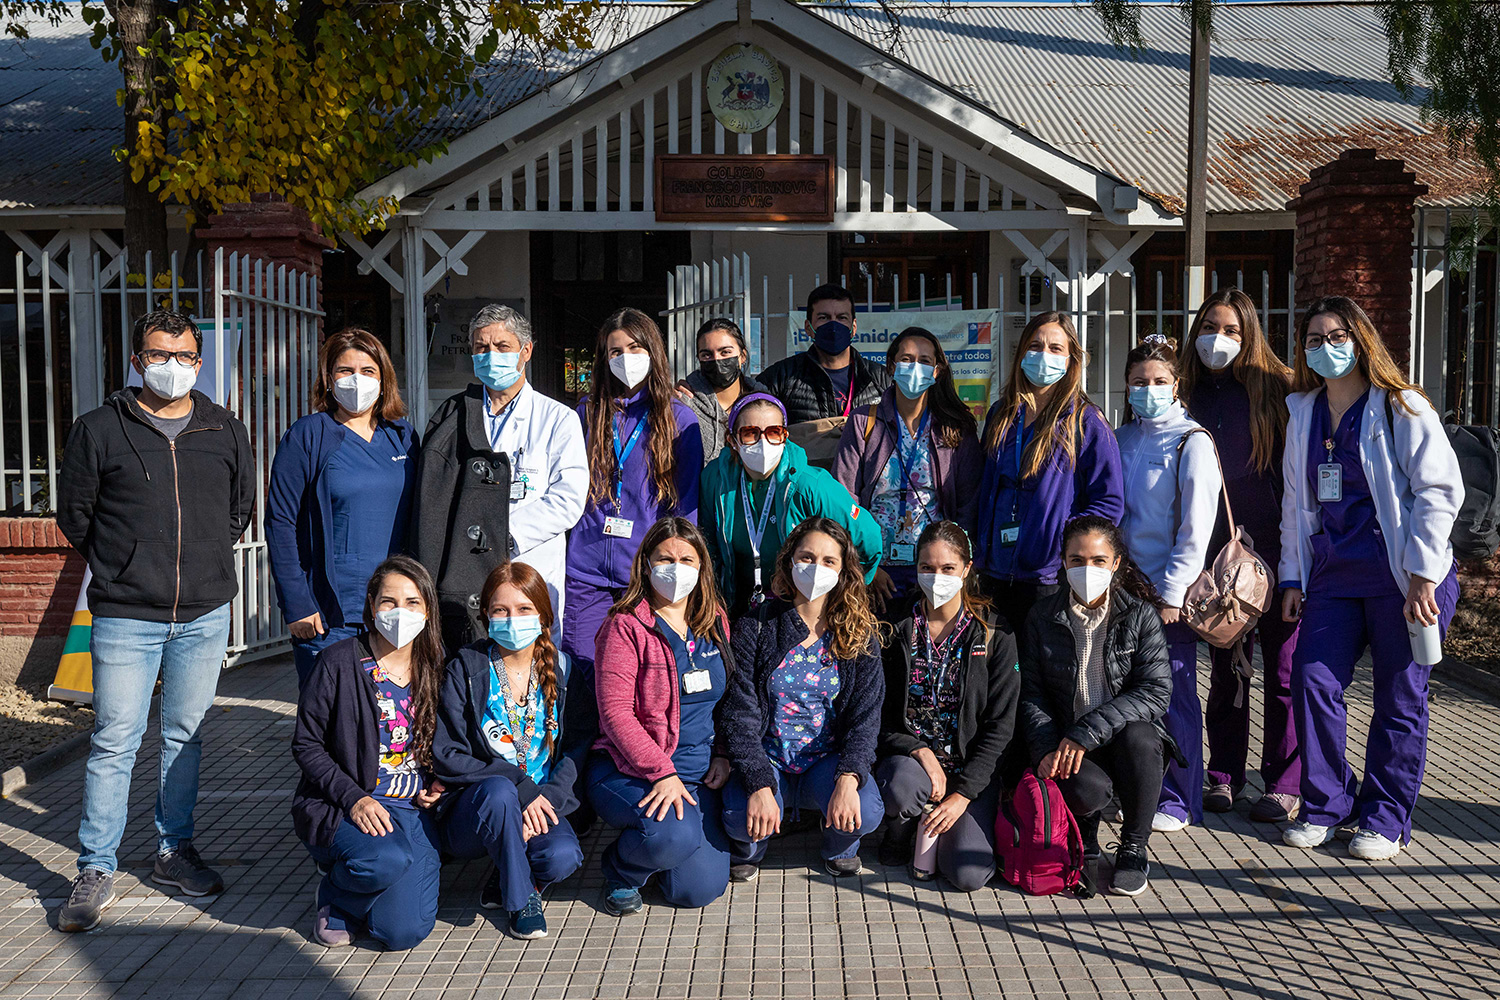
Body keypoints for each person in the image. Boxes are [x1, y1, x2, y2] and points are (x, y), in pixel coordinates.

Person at [55, 309, 254, 933]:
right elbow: (76, 517)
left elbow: (237, 508)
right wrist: (125, 565)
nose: (174, 367)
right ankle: (95, 866)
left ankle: (174, 851)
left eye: (186, 357)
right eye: (160, 355)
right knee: (115, 739)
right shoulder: (98, 429)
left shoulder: (224, 427)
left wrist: (201, 564)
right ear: (137, 359)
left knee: (185, 736)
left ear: (200, 362)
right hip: (125, 615)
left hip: (202, 612)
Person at [1278, 296, 1463, 861]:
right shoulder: (1304, 412)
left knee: (1399, 698)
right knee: (1312, 680)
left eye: (1337, 337)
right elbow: (1296, 503)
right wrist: (1291, 578)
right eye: (1314, 340)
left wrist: (1424, 575)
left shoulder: (1400, 407)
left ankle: (1384, 818)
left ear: (1361, 341)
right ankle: (1327, 804)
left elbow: (1439, 491)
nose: (1325, 349)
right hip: (1333, 578)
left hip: (1403, 579)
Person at [1180, 287, 1303, 823]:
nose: (1219, 339)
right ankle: (1224, 773)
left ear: (1250, 334)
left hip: (1275, 554)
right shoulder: (1183, 392)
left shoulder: (1278, 392)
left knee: (1282, 669)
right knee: (1229, 666)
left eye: (1231, 329)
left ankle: (1284, 782)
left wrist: (1296, 563)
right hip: (1212, 556)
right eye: (1210, 326)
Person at [291, 556, 445, 949]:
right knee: (384, 860)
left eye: (412, 602)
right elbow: (306, 744)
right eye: (388, 602)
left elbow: (453, 741)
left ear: (427, 610)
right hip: (347, 803)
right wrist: (353, 798)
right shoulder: (338, 661)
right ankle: (337, 896)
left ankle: (369, 886)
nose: (400, 612)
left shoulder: (436, 665)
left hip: (411, 807)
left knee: (401, 932)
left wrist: (445, 780)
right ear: (372, 606)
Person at [432, 561, 590, 938]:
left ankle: (506, 874)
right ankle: (521, 901)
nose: (511, 619)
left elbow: (579, 745)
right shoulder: (466, 667)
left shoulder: (565, 669)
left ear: (543, 615)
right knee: (501, 792)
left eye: (523, 610)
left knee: (562, 857)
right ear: (486, 615)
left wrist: (547, 797)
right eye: (500, 610)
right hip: (478, 806)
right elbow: (448, 752)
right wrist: (521, 787)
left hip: (541, 803)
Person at [721, 518, 886, 880]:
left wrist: (847, 779)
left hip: (825, 762)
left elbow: (865, 719)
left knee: (867, 808)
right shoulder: (757, 625)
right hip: (768, 760)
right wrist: (758, 782)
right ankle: (752, 845)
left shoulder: (859, 635)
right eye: (807, 557)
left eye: (829, 561)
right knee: (737, 819)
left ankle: (839, 845)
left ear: (843, 571)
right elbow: (740, 714)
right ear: (789, 562)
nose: (816, 568)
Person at [415, 305, 586, 652]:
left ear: (526, 351)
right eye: (481, 348)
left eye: (502, 347)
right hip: (463, 569)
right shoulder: (453, 416)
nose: (490, 355)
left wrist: (501, 534)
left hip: (527, 563)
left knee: (533, 662)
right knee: (469, 663)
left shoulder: (557, 419)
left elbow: (568, 499)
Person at [1018, 516, 1173, 897]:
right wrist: (1043, 748)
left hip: (1111, 738)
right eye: (1077, 560)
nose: (1087, 569)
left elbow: (1155, 692)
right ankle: (1084, 833)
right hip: (1066, 742)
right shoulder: (1043, 615)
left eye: (1098, 560)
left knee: (1143, 738)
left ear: (1116, 563)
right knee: (1089, 789)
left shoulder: (1139, 616)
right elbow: (1031, 693)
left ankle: (1134, 846)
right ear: (1063, 562)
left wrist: (1086, 734)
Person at [587, 518, 734, 916]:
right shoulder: (625, 627)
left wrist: (722, 752)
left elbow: (724, 703)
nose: (676, 568)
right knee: (671, 837)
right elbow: (615, 714)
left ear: (702, 567)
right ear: (646, 565)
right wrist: (661, 772)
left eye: (687, 559)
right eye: (665, 558)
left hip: (698, 775)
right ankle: (623, 869)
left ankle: (667, 849)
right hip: (632, 770)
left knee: (698, 890)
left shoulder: (715, 621)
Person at [268, 328, 419, 687]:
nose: (356, 380)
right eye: (344, 371)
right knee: (330, 721)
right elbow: (280, 522)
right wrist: (297, 603)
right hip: (329, 613)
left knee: (391, 720)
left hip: (394, 610)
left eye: (368, 371)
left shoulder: (402, 436)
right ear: (328, 379)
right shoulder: (309, 435)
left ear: (384, 380)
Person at [1113, 336, 1222, 831]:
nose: (1149, 389)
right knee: (1123, 694)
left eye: (1159, 382)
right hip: (1119, 591)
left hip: (1165, 597)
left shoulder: (1191, 441)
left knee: (1174, 695)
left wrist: (1173, 594)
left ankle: (1178, 796)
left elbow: (1196, 528)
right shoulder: (1123, 437)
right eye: (1139, 382)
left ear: (1176, 385)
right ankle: (1132, 788)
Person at [874, 521, 1019, 892]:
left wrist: (963, 794)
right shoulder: (895, 625)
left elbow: (1001, 725)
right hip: (913, 764)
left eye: (947, 569)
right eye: (927, 568)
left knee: (967, 875)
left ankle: (948, 826)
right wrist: (919, 751)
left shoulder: (995, 633)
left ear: (967, 569)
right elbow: (881, 712)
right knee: (901, 789)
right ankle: (900, 829)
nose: (936, 577)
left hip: (969, 772)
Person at [564, 308, 703, 678]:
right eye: (615, 351)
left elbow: (685, 509)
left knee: (640, 675)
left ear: (654, 352)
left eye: (635, 348)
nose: (626, 358)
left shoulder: (679, 420)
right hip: (585, 573)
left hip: (644, 575)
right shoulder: (586, 413)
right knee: (584, 672)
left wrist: (674, 567)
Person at [976, 311, 1124, 633]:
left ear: (1071, 360)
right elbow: (985, 486)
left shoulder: (1086, 422)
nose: (1044, 355)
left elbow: (1108, 502)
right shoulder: (1001, 414)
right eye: (1035, 345)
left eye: (1055, 348)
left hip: (1049, 577)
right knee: (999, 675)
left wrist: (1065, 543)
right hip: (995, 572)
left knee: (1041, 676)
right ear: (1021, 355)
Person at [833, 327, 983, 619]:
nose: (915, 368)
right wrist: (866, 568)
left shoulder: (955, 427)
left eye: (925, 361)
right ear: (891, 365)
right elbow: (844, 497)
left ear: (937, 371)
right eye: (907, 359)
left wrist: (952, 566)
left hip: (934, 569)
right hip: (876, 569)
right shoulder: (864, 421)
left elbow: (970, 502)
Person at [701, 393, 883, 619]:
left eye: (774, 433)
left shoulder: (811, 485)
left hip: (802, 609)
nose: (763, 442)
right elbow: (707, 548)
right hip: (737, 610)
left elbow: (869, 539)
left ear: (785, 437)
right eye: (750, 433)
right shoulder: (715, 480)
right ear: (732, 440)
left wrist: (843, 590)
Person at [757, 282, 891, 428]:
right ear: (808, 328)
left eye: (842, 318)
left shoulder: (880, 379)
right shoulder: (781, 377)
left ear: (853, 328)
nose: (833, 326)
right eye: (824, 318)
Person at [676, 317, 767, 465]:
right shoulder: (684, 403)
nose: (716, 360)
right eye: (707, 355)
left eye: (725, 352)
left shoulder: (764, 403)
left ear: (742, 356)